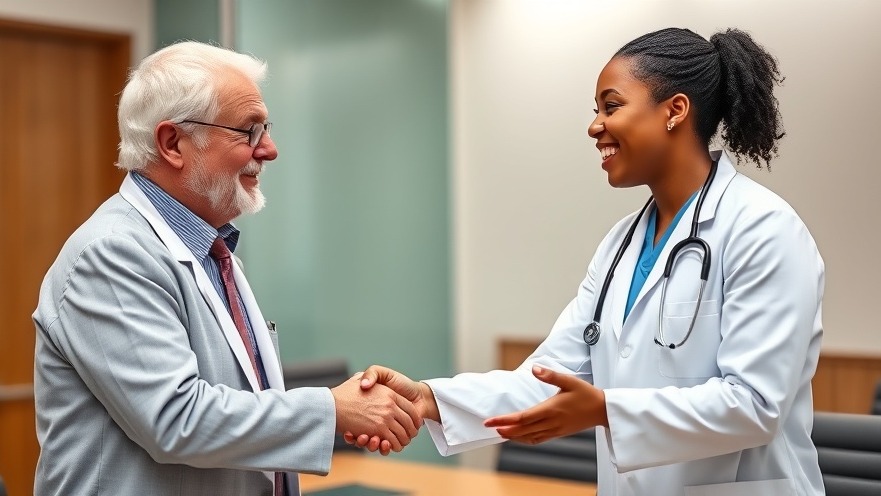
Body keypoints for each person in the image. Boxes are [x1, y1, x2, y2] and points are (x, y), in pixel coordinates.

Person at [350, 27, 826, 495]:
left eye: (611, 106)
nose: (595, 126)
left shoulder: (764, 229)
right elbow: (550, 377)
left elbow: (755, 405)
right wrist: (429, 398)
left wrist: (605, 410)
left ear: (675, 110)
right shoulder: (621, 245)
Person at [32, 41, 421, 496]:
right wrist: (333, 409)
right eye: (249, 131)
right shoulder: (111, 253)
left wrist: (346, 410)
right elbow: (177, 419)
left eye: (266, 129)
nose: (270, 150)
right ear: (172, 143)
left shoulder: (212, 250)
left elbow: (240, 408)